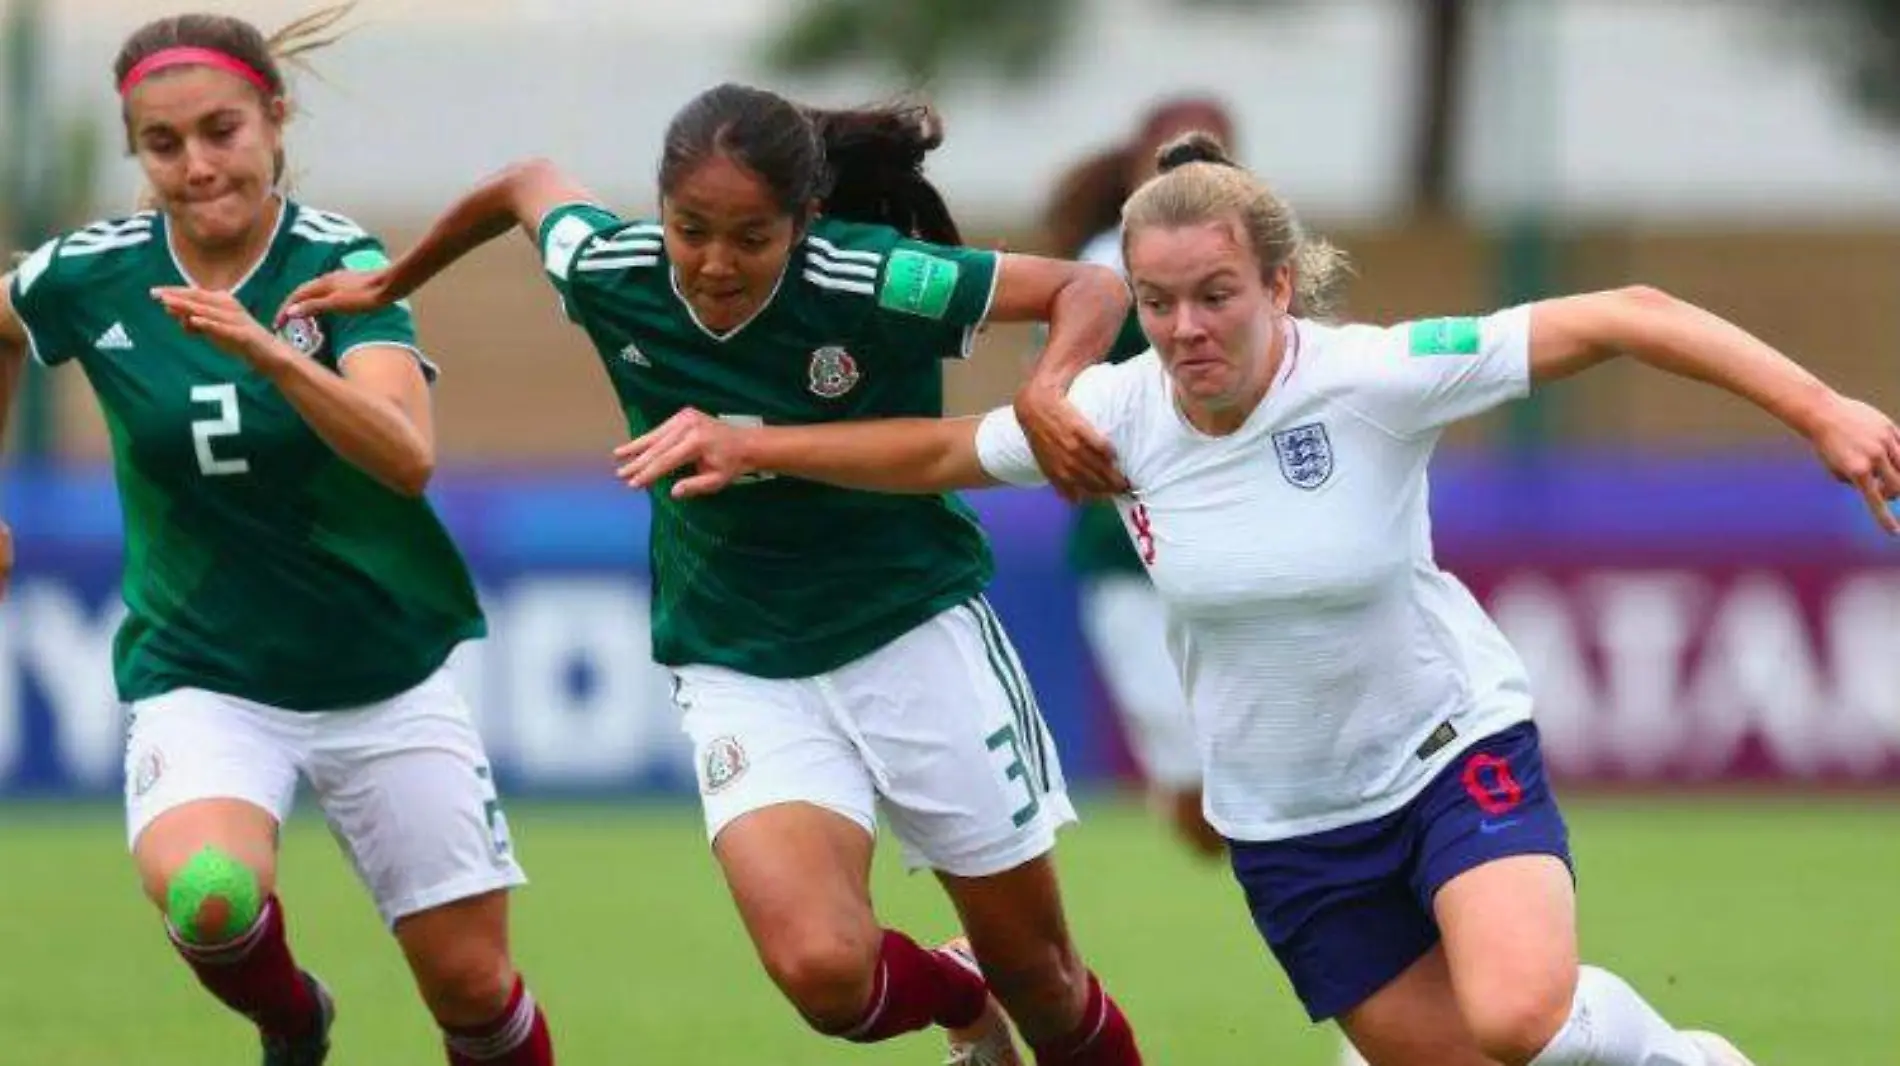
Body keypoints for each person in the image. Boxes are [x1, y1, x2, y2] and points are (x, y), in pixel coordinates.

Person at [609, 131, 1900, 1066]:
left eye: (1216, 295)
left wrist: (1824, 409)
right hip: (1287, 821)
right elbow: (935, 452)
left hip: (1448, 747)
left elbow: (1632, 310)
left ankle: (1678, 1055)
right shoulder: (1113, 414)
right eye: (1158, 303)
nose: (1183, 329)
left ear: (1280, 287)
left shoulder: (1379, 378)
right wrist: (754, 439)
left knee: (1517, 1016)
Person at [281, 83, 1143, 1065]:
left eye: (751, 237)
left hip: (910, 634)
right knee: (824, 974)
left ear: (803, 224)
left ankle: (999, 980)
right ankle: (961, 991)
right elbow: (525, 184)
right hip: (740, 662)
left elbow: (1092, 288)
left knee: (1046, 980)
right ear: (659, 211)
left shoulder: (872, 277)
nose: (714, 263)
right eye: (690, 229)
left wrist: (1047, 382)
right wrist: (395, 281)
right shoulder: (613, 268)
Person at [0, 10, 555, 1065]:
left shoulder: (338, 262)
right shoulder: (94, 271)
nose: (198, 165)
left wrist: (273, 354)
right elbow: (1, 322)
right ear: (137, 152)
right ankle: (293, 1019)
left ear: (273, 121)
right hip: (204, 674)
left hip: (381, 674)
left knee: (476, 992)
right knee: (210, 897)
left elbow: (404, 456)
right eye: (164, 145)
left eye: (222, 131)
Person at [1040, 95, 1238, 858]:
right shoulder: (1100, 269)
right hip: (1129, 552)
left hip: (1239, 546)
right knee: (1197, 795)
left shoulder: (1265, 264)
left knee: (1259, 765)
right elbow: (1056, 398)